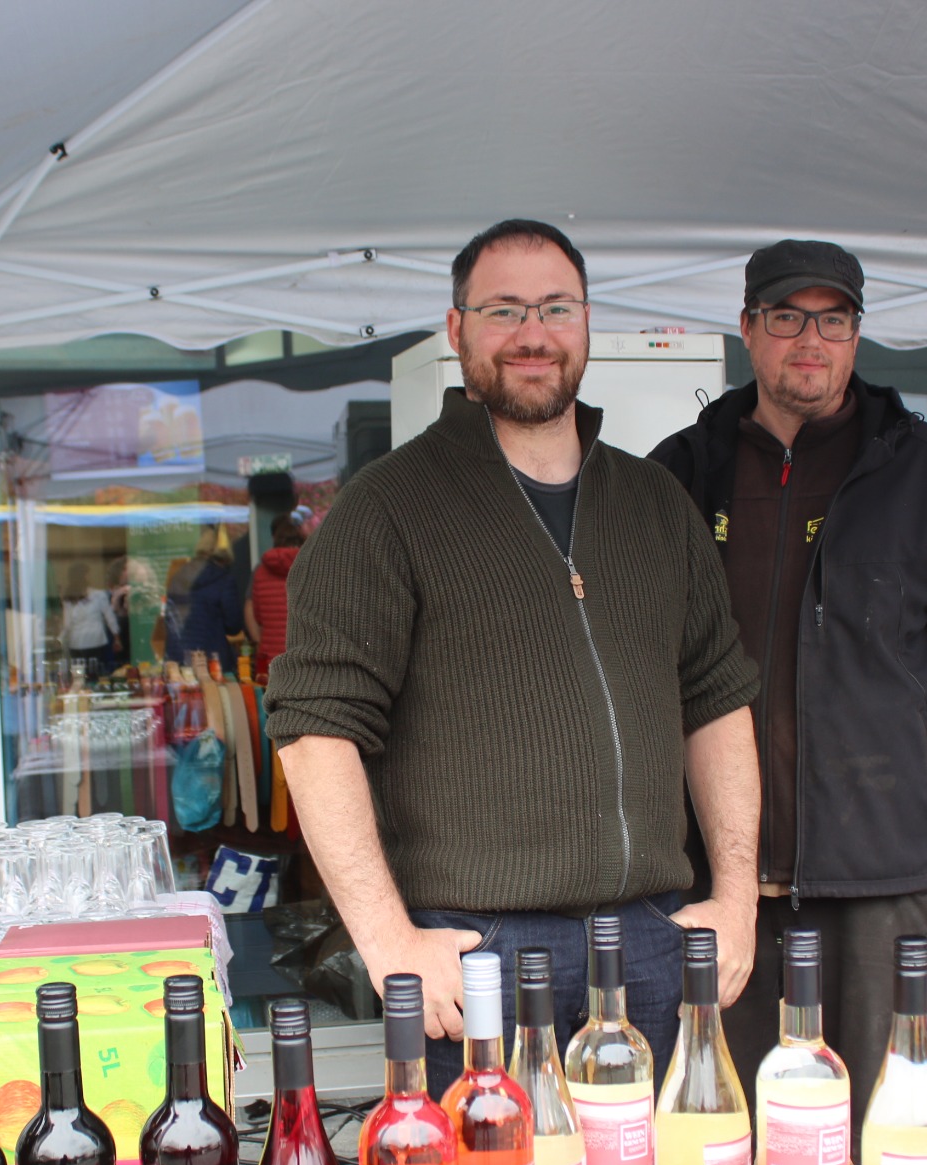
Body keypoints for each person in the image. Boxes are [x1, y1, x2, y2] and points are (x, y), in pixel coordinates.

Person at [267, 219, 762, 1095]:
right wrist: (386, 939)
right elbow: (313, 731)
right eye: (503, 309)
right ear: (456, 329)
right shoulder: (387, 509)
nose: (533, 333)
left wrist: (737, 898)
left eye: (556, 307)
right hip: (478, 954)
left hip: (652, 945)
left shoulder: (655, 504)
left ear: (586, 322)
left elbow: (716, 701)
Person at [649, 239, 927, 1140]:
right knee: (722, 1141)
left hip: (881, 883)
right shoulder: (680, 474)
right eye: (787, 317)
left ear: (857, 335)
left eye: (833, 319)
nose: (810, 340)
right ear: (748, 330)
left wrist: (884, 730)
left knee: (889, 1140)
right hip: (718, 882)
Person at [163, 526, 244, 672]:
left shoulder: (178, 575)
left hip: (177, 657)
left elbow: (169, 618)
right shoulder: (224, 579)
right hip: (211, 660)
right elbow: (233, 626)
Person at [243, 512, 305, 679]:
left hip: (271, 661)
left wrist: (259, 642)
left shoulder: (260, 571)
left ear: (275, 539)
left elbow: (253, 611)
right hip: (304, 661)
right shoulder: (312, 567)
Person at [59, 560, 119, 679]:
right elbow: (110, 618)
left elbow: (67, 624)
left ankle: (81, 688)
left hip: (76, 642)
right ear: (86, 576)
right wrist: (117, 637)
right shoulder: (98, 595)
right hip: (95, 640)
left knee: (79, 675)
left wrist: (61, 639)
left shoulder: (69, 598)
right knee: (95, 673)